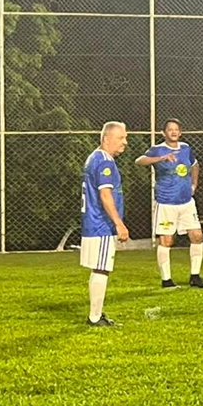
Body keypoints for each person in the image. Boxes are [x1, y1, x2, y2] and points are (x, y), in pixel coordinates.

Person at [135, 118, 203, 289]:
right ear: (164, 133)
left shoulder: (186, 148)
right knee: (167, 240)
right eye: (170, 129)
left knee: (197, 236)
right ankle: (166, 280)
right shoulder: (158, 149)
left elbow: (195, 165)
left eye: (176, 129)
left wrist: (194, 185)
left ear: (180, 132)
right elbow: (139, 160)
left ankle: (195, 276)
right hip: (166, 202)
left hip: (186, 202)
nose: (173, 132)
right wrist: (160, 158)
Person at [80, 121, 130, 327]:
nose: (125, 142)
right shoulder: (104, 162)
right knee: (101, 269)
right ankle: (94, 317)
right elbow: (105, 194)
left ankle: (97, 314)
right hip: (100, 224)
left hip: (92, 222)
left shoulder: (94, 157)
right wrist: (119, 223)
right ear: (106, 138)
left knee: (99, 268)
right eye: (121, 137)